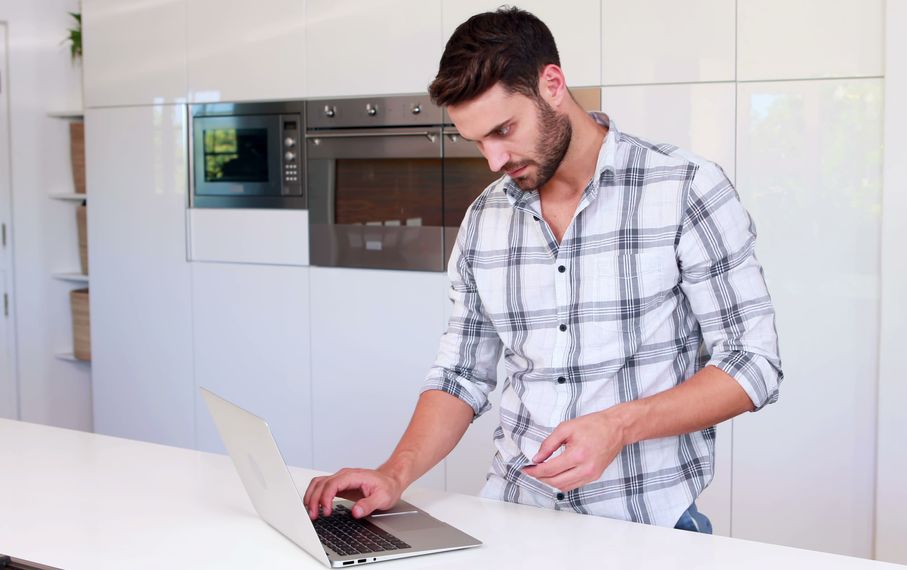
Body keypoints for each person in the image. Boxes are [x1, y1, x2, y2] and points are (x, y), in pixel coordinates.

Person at [303, 6, 782, 534]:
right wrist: (394, 474)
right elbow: (461, 374)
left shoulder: (686, 189)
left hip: (648, 529)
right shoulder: (486, 218)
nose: (493, 159)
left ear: (552, 84)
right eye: (478, 141)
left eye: (504, 130)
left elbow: (752, 363)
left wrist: (618, 426)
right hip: (513, 517)